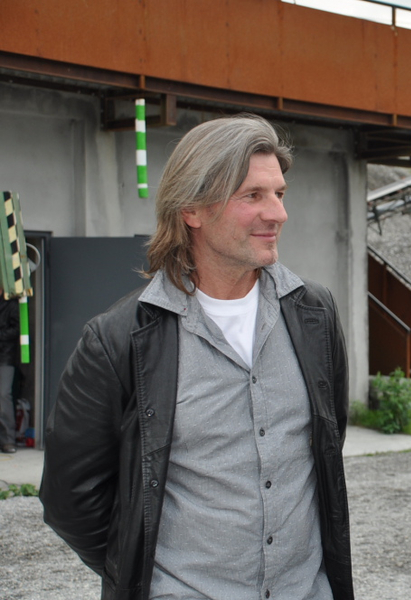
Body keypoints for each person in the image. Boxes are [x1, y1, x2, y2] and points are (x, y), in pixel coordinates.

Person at [41, 114, 354, 600]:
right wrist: (143, 572)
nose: (278, 214)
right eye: (253, 196)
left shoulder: (315, 313)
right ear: (192, 209)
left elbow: (327, 443)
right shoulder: (118, 339)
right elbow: (71, 499)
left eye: (279, 194)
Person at [0, 293, 19, 454]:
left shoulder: (11, 304)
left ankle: (8, 440)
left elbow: (17, 329)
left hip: (5, 356)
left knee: (3, 395)